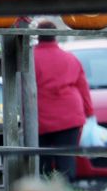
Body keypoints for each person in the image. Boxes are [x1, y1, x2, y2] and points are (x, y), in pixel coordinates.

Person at [33, 19, 94, 181]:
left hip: (41, 118)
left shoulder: (30, 59)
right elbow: (83, 87)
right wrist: (89, 112)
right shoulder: (70, 58)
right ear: (55, 36)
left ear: (38, 36)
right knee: (67, 159)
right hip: (70, 117)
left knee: (43, 160)